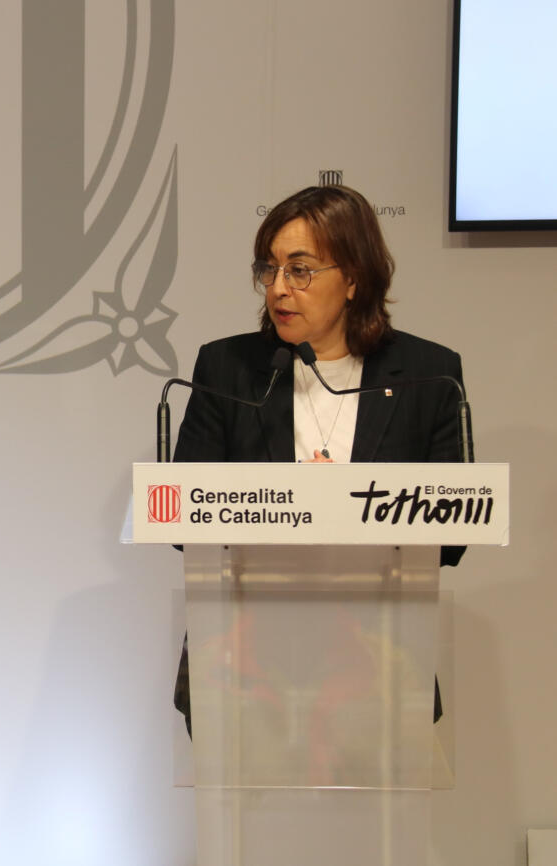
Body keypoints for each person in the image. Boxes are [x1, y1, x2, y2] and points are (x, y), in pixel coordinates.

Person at [171, 184, 466, 734]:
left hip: (376, 666)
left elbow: (450, 540)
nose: (279, 288)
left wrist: (346, 512)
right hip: (243, 666)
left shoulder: (431, 376)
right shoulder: (227, 368)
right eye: (270, 269)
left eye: (300, 270)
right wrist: (295, 509)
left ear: (353, 279)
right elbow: (184, 522)